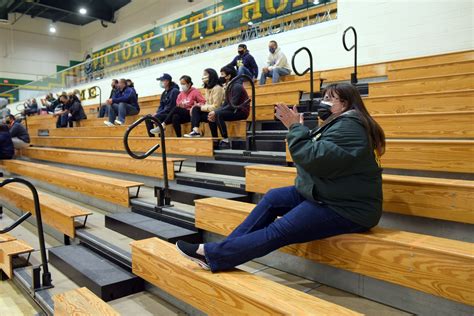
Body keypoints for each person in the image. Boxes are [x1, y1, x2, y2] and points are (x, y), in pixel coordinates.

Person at [175, 83, 386, 272]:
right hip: (328, 191)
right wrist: (298, 129)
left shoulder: (350, 126)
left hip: (347, 207)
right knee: (274, 198)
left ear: (345, 103)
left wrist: (295, 128)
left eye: (330, 98)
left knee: (280, 229)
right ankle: (223, 250)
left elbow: (312, 158)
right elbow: (314, 154)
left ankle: (213, 255)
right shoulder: (340, 122)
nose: (324, 102)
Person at [208, 66, 249, 149]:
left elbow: (233, 105)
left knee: (218, 114)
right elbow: (225, 104)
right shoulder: (229, 86)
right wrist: (214, 111)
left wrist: (216, 112)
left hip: (241, 111)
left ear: (228, 76)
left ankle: (225, 139)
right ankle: (215, 139)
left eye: (222, 74)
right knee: (211, 115)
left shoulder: (237, 86)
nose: (220, 76)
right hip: (234, 110)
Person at [184, 69, 224, 138]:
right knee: (195, 109)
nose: (203, 76)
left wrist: (201, 107)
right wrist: (199, 106)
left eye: (205, 74)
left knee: (208, 115)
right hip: (210, 111)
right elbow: (207, 104)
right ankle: (195, 131)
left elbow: (216, 107)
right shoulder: (208, 89)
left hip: (218, 112)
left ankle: (215, 139)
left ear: (211, 75)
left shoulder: (218, 88)